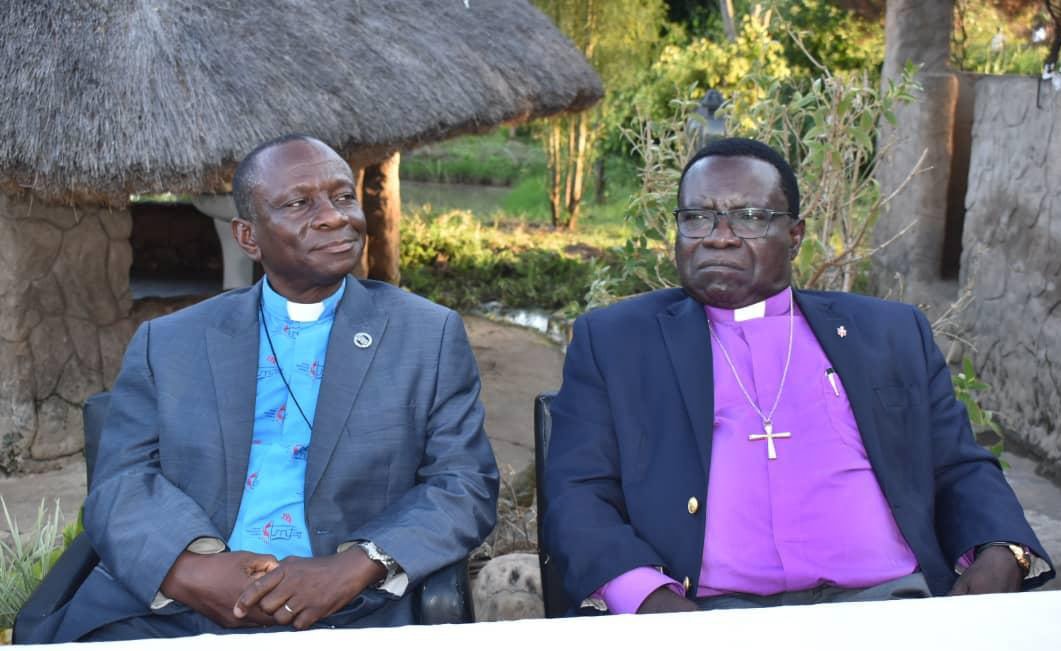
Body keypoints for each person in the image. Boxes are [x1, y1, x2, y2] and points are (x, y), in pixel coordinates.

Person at [543, 137, 1054, 615]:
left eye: (749, 217)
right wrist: (648, 596)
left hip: (890, 606)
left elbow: (959, 467)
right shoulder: (616, 342)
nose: (719, 238)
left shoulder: (889, 334)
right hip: (706, 614)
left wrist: (1000, 549)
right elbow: (577, 492)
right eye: (697, 217)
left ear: (795, 235)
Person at [32, 134, 499, 642]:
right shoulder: (169, 343)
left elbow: (464, 484)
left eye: (343, 197)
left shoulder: (426, 336)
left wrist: (357, 565)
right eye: (299, 203)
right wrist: (190, 570)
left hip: (350, 608)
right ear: (248, 237)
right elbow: (120, 479)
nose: (333, 216)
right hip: (173, 608)